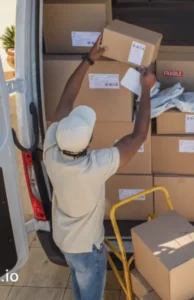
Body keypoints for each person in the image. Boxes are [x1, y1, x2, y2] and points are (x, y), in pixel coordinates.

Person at [43, 35, 154, 300]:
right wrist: (147, 89)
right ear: (89, 141)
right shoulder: (93, 167)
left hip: (65, 241)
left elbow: (66, 99)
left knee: (80, 283)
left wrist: (89, 60)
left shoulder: (51, 149)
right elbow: (138, 137)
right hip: (86, 249)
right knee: (91, 292)